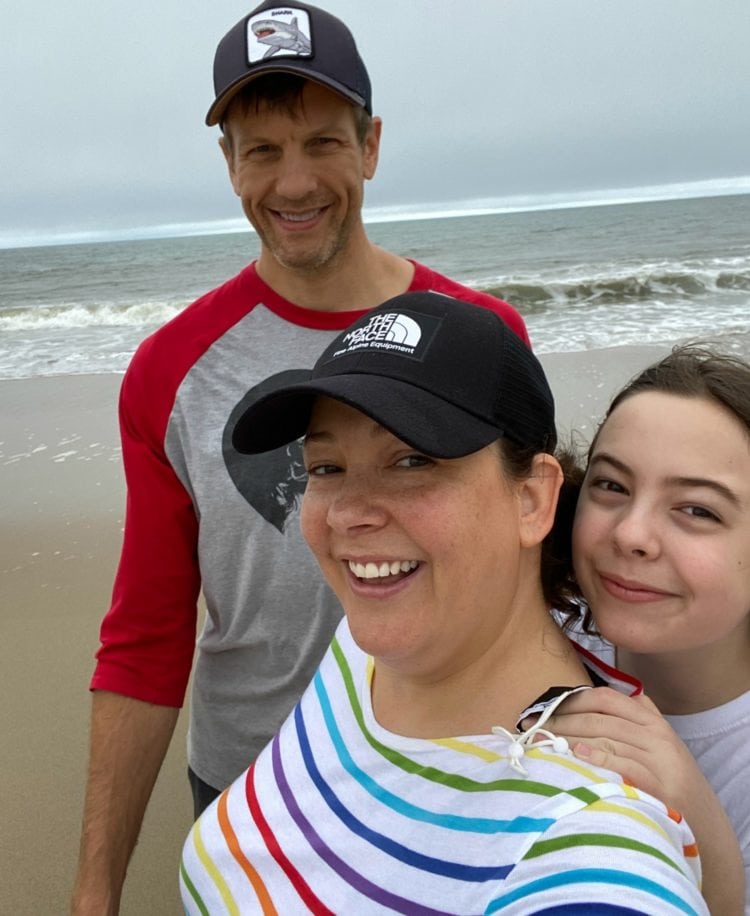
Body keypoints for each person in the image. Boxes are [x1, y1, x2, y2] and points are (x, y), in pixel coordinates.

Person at [71, 3, 529, 913]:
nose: (294, 183)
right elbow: (147, 637)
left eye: (322, 142)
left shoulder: (480, 337)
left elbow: (529, 571)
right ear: (228, 163)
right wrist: (95, 891)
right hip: (249, 785)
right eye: (261, 149)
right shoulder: (172, 372)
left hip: (449, 768)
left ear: (372, 145)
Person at [179, 292, 707, 914]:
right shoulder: (365, 649)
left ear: (534, 500)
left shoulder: (585, 844)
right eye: (326, 467)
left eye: (412, 461)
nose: (349, 513)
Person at [537, 345, 750, 914]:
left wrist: (697, 814)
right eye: (612, 487)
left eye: (698, 510)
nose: (631, 534)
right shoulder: (541, 634)